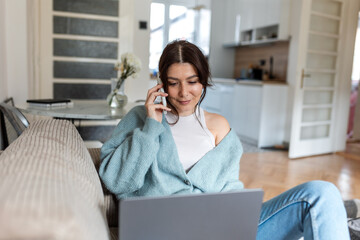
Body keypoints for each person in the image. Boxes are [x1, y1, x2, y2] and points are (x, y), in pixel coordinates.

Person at [99, 40, 350, 239]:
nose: (184, 93)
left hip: (223, 230)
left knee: (322, 193)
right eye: (174, 83)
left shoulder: (219, 126)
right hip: (166, 232)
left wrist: (241, 214)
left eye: (193, 82)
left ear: (204, 80)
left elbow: (230, 188)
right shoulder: (141, 118)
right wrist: (152, 126)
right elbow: (119, 181)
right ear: (161, 84)